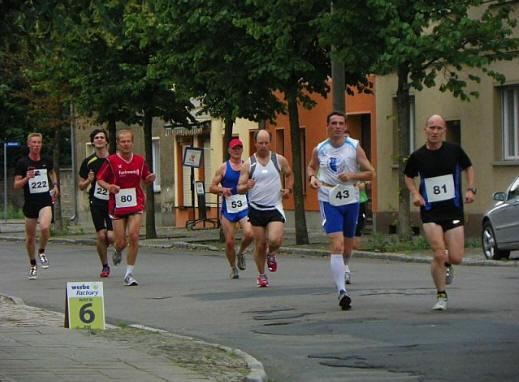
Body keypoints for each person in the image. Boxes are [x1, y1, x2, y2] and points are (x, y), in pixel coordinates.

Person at [404, 114, 475, 311]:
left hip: (453, 210)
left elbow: (469, 167)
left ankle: (448, 265)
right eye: (431, 128)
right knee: (439, 253)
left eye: (439, 128)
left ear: (444, 131)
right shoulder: (418, 156)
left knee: (456, 257)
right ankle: (441, 295)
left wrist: (470, 189)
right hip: (430, 211)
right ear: (425, 130)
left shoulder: (454, 151)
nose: (435, 132)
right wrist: (416, 194)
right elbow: (408, 177)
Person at [307, 111, 375, 310]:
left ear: (345, 127)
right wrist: (312, 178)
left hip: (351, 197)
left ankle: (344, 266)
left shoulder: (354, 147)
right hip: (328, 197)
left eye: (341, 123)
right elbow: (311, 168)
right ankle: (341, 292)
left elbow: (371, 173)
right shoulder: (320, 149)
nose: (337, 126)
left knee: (348, 246)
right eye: (333, 123)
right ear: (327, 126)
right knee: (335, 245)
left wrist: (353, 175)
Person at [96, 130, 156, 286]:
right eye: (123, 141)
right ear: (118, 143)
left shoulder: (139, 161)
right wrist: (109, 187)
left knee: (134, 236)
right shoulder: (111, 161)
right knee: (120, 242)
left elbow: (145, 176)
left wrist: (149, 178)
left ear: (132, 143)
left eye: (128, 141)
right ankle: (117, 250)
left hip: (136, 203)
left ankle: (129, 274)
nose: (126, 144)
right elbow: (100, 179)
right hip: (117, 206)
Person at [237, 130, 293, 287]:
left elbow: (289, 174)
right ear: (255, 143)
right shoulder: (249, 164)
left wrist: (288, 189)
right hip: (255, 208)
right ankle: (261, 275)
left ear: (270, 143)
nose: (263, 146)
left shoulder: (278, 160)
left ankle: (272, 254)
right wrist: (246, 186)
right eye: (260, 143)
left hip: (274, 206)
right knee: (260, 244)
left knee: (275, 240)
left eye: (266, 143)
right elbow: (239, 187)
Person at [14, 133, 59, 280]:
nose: (36, 145)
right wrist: (27, 178)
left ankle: (41, 251)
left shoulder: (47, 160)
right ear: (28, 144)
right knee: (30, 238)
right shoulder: (22, 163)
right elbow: (16, 185)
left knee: (45, 227)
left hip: (45, 201)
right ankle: (33, 265)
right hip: (30, 204)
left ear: (41, 144)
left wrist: (56, 185)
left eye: (39, 142)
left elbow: (52, 172)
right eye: (33, 142)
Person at [209, 138, 254, 280]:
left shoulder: (247, 166)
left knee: (249, 233)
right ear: (229, 150)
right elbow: (212, 187)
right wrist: (222, 190)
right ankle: (233, 267)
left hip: (244, 206)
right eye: (234, 148)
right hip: (228, 209)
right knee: (229, 241)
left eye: (239, 148)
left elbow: (255, 182)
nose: (237, 151)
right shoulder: (223, 168)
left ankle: (241, 252)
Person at [79, 129, 114, 278]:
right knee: (101, 236)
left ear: (106, 141)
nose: (99, 140)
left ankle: (116, 249)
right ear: (93, 142)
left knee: (111, 237)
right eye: (96, 138)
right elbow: (81, 186)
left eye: (102, 137)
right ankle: (105, 266)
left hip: (113, 201)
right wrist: (89, 180)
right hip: (96, 200)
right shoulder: (88, 162)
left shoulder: (114, 160)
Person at [353, 181, 370, 251]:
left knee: (360, 223)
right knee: (356, 223)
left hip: (361, 201)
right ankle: (353, 245)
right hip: (354, 202)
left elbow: (362, 186)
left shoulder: (359, 174)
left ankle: (356, 246)